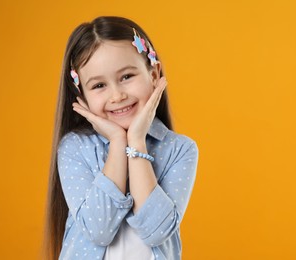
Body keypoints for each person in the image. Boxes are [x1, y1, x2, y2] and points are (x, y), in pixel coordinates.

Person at [44, 16, 199, 260]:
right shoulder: (75, 147)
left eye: (127, 77)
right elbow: (98, 231)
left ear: (154, 73)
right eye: (98, 86)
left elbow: (156, 232)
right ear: (81, 97)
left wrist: (135, 141)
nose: (116, 96)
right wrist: (117, 143)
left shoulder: (179, 149)